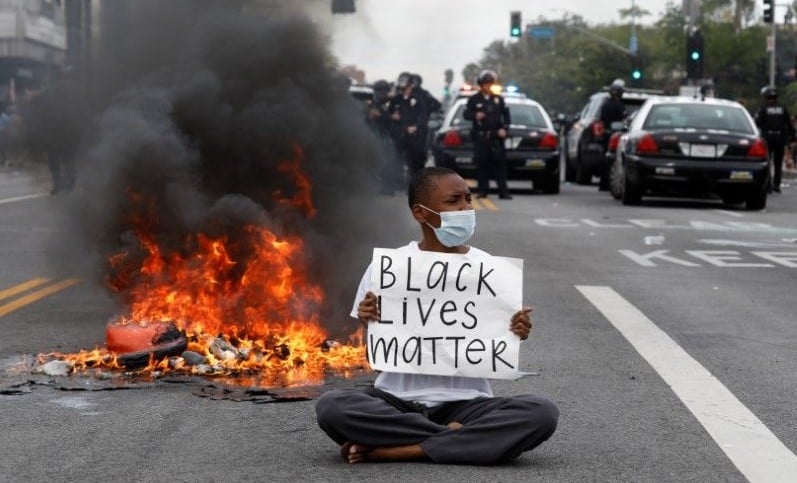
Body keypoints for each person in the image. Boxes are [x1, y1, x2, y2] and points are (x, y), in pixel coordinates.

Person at [315, 167, 559, 465]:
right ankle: (456, 439)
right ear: (421, 213)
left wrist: (516, 330)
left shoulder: (489, 269)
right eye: (453, 201)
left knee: (541, 413)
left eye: (468, 199)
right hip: (397, 402)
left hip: (466, 406)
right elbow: (377, 356)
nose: (466, 208)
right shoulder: (389, 268)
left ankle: (400, 449)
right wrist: (369, 323)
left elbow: (495, 342)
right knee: (332, 407)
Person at [463, 70, 512, 199]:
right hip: (481, 137)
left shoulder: (498, 99)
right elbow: (466, 114)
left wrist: (504, 129)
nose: (488, 86)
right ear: (481, 85)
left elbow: (506, 116)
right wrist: (475, 115)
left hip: (496, 137)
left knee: (500, 164)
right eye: (485, 84)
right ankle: (482, 190)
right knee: (482, 164)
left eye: (490, 83)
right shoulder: (474, 99)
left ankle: (503, 191)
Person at [389, 72, 430, 183]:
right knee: (396, 158)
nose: (404, 90)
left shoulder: (418, 99)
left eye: (406, 87)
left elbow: (423, 116)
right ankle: (396, 182)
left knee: (415, 161)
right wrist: (392, 116)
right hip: (399, 134)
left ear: (411, 86)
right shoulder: (396, 99)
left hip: (414, 135)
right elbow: (390, 113)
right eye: (402, 88)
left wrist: (416, 126)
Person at [755, 87, 795, 193]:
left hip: (767, 138)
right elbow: (789, 124)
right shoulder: (782, 109)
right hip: (779, 138)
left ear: (766, 98)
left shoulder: (763, 109)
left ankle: (768, 185)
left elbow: (757, 123)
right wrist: (792, 138)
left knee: (767, 162)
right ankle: (777, 184)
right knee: (778, 163)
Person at [367, 79, 402, 194]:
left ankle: (388, 187)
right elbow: (374, 116)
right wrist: (391, 117)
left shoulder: (386, 103)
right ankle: (386, 187)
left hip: (386, 136)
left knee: (388, 163)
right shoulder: (375, 104)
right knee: (384, 163)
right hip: (379, 137)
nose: (385, 93)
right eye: (384, 91)